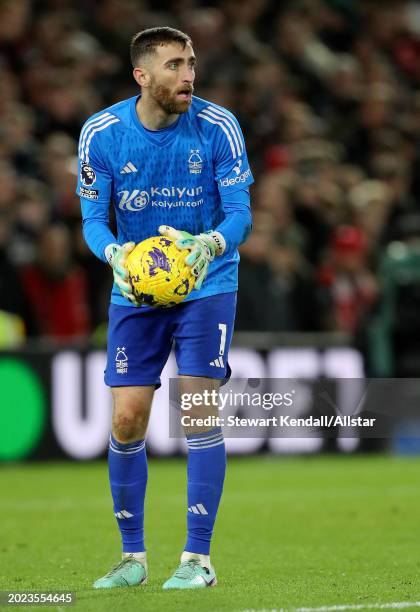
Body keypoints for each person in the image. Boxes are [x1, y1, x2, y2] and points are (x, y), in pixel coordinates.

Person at [76, 27, 253, 590]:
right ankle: (133, 558)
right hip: (136, 286)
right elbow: (91, 219)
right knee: (127, 418)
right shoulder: (102, 134)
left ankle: (197, 560)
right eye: (175, 65)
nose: (189, 76)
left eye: (193, 63)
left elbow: (240, 213)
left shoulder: (218, 126)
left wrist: (210, 244)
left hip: (206, 282)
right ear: (142, 76)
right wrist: (114, 255)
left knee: (197, 408)